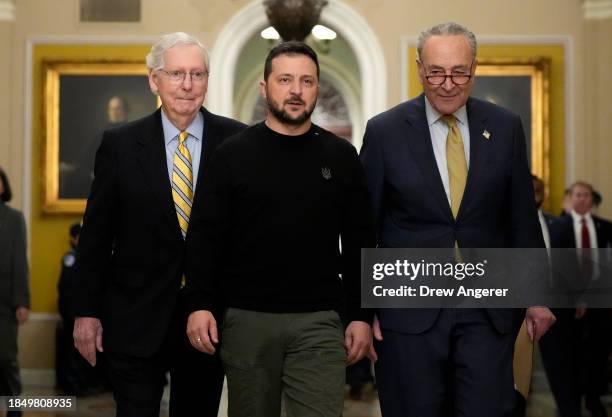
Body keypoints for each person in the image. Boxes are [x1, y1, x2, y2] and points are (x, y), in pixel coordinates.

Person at [359, 22, 556, 417]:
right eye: (436, 72)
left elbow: (522, 220)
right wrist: (364, 312)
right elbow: (366, 226)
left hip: (487, 309)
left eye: (459, 72)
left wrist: (537, 296)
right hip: (409, 311)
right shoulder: (385, 131)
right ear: (420, 69)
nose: (448, 84)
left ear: (474, 69)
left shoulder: (505, 127)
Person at [184, 41, 375, 417]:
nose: (296, 90)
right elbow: (205, 240)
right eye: (285, 79)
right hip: (245, 320)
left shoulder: (341, 156)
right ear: (264, 87)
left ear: (318, 88)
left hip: (320, 321)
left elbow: (360, 242)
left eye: (307, 81)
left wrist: (360, 315)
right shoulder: (231, 155)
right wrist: (199, 304)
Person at [72, 32, 246, 417]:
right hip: (134, 316)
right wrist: (86, 313)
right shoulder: (119, 145)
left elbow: (247, 235)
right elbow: (97, 236)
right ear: (154, 80)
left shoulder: (236, 142)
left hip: (209, 321)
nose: (187, 85)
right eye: (177, 74)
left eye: (198, 74)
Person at [542, 181, 612, 417]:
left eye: (587, 195)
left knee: (597, 354)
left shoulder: (605, 227)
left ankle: (593, 399)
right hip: (566, 305)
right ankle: (570, 404)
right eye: (578, 195)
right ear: (570, 198)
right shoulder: (557, 227)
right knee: (568, 355)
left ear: (592, 199)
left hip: (598, 303)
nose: (582, 199)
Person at [0, 167, 30, 417]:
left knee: (6, 359)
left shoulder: (14, 219)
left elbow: (20, 263)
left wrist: (22, 301)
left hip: (5, 304)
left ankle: (14, 410)